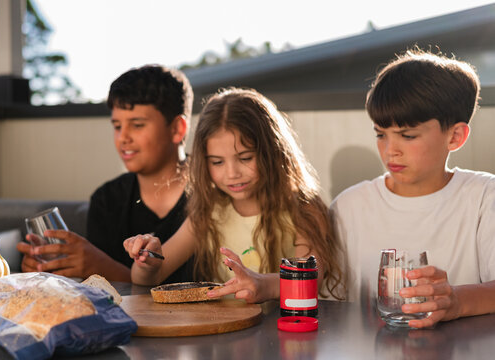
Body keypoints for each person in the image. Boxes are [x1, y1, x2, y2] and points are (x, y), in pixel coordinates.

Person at [124, 87, 345, 302]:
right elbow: (146, 278)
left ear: (273, 152)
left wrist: (261, 285)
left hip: (288, 330)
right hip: (225, 334)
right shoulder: (209, 212)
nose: (232, 173)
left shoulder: (304, 207)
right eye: (217, 162)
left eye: (245, 158)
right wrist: (147, 262)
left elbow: (310, 279)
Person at [330, 48, 495, 328]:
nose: (390, 150)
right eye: (380, 134)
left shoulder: (483, 197)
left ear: (455, 136)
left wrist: (456, 300)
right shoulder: (349, 206)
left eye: (407, 136)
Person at [17, 65, 194, 283]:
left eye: (137, 125)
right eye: (117, 126)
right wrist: (51, 268)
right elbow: (102, 295)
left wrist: (99, 266)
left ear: (177, 129)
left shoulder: (215, 191)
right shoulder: (107, 200)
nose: (123, 137)